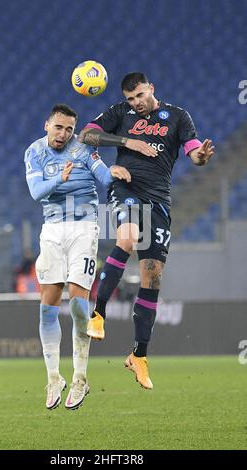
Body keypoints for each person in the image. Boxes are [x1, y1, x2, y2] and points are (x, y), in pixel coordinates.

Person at [78, 72, 215, 390]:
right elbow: (86, 136)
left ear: (151, 88)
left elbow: (194, 150)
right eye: (130, 99)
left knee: (152, 275)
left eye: (140, 95)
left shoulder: (178, 116)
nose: (136, 103)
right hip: (125, 187)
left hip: (159, 201)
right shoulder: (119, 114)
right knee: (125, 238)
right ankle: (97, 314)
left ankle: (138, 355)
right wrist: (127, 141)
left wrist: (201, 157)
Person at [24, 103, 130, 410]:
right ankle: (54, 377)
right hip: (52, 229)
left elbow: (103, 176)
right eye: (59, 127)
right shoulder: (34, 152)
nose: (64, 134)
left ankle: (81, 378)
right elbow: (36, 192)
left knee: (79, 303)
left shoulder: (82, 149)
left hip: (84, 226)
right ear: (47, 125)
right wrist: (61, 178)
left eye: (69, 129)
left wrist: (114, 172)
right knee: (48, 306)